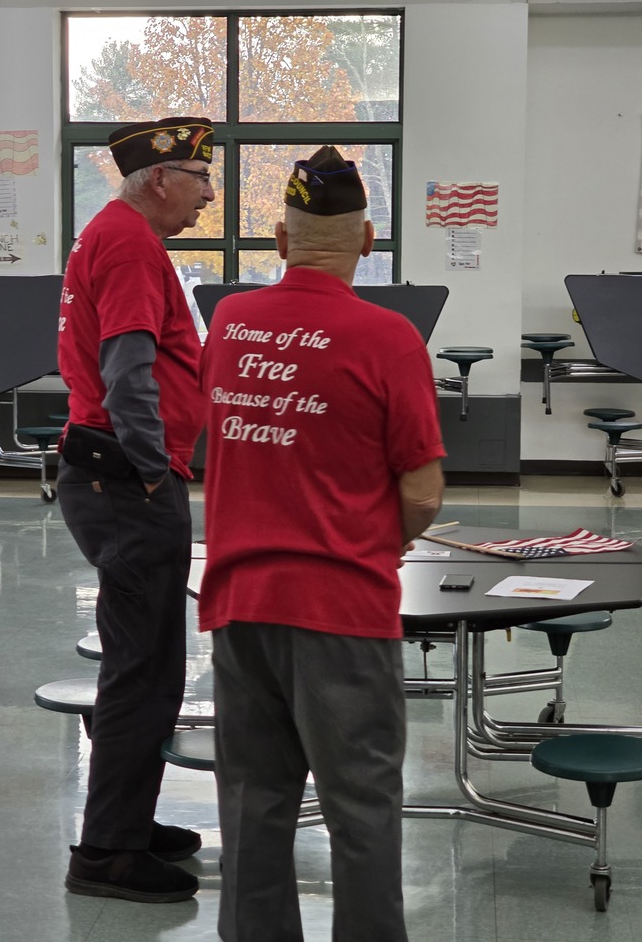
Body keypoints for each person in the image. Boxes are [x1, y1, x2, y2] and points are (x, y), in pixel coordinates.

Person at [198, 146, 446, 941]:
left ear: (278, 238)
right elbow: (423, 492)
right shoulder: (389, 339)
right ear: (368, 241)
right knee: (361, 811)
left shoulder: (230, 323)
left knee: (253, 807)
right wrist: (378, 543)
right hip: (342, 610)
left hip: (239, 607)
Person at [56, 117, 215, 904]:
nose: (208, 194)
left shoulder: (116, 234)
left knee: (150, 666)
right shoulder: (127, 243)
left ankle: (128, 819)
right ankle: (107, 853)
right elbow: (128, 374)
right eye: (199, 177)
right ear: (159, 179)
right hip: (125, 482)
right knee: (142, 671)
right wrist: (155, 472)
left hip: (111, 475)